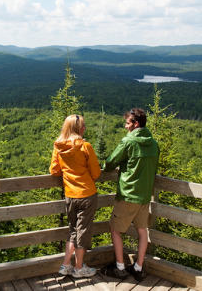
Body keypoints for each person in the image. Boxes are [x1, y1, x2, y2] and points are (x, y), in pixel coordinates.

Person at [100, 108, 159, 281]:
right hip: (145, 195)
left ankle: (120, 268)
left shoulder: (128, 142)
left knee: (115, 229)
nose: (126, 127)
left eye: (128, 123)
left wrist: (109, 166)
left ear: (136, 124)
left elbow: (110, 163)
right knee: (142, 231)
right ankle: (138, 268)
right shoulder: (154, 144)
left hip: (128, 194)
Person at [49, 114, 102, 278]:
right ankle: (79, 268)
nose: (85, 128)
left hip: (70, 195)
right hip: (87, 194)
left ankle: (66, 265)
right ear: (76, 129)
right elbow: (96, 173)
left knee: (73, 230)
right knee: (83, 232)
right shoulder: (85, 146)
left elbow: (54, 171)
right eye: (83, 126)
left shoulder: (59, 147)